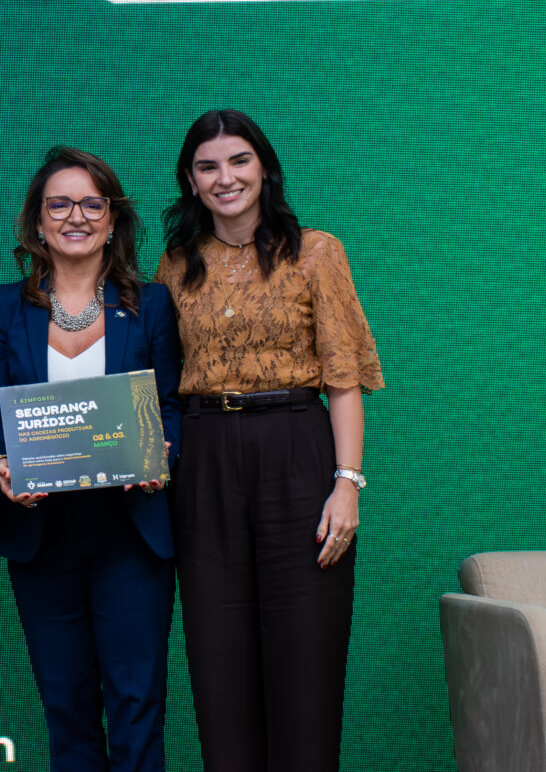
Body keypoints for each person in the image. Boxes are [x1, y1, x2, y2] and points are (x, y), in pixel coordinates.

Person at [154, 109, 383, 772]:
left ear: (264, 168)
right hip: (204, 462)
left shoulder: (317, 252)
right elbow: (157, 381)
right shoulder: (176, 265)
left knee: (305, 675)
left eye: (239, 161)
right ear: (191, 181)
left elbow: (343, 378)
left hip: (296, 452)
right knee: (219, 673)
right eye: (207, 166)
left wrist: (347, 485)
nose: (225, 178)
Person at [0, 147, 182, 772]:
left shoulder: (152, 304)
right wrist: (1, 461)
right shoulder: (4, 306)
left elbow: (172, 403)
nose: (76, 216)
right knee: (66, 710)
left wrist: (163, 450)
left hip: (132, 531)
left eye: (93, 204)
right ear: (38, 222)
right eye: (59, 204)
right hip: (41, 532)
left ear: (112, 221)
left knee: (137, 705)